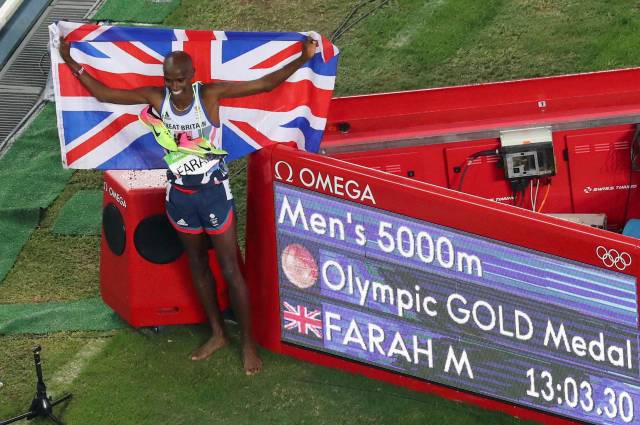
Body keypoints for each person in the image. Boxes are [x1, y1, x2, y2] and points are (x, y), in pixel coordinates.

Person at [59, 35, 318, 375]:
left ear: (192, 76)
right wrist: (70, 59)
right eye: (168, 80)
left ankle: (248, 343)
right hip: (180, 196)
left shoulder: (208, 95)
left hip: (213, 193)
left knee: (230, 269)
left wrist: (303, 58)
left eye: (179, 80)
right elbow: (106, 94)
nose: (174, 86)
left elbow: (266, 83)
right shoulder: (157, 97)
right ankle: (218, 333)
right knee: (196, 264)